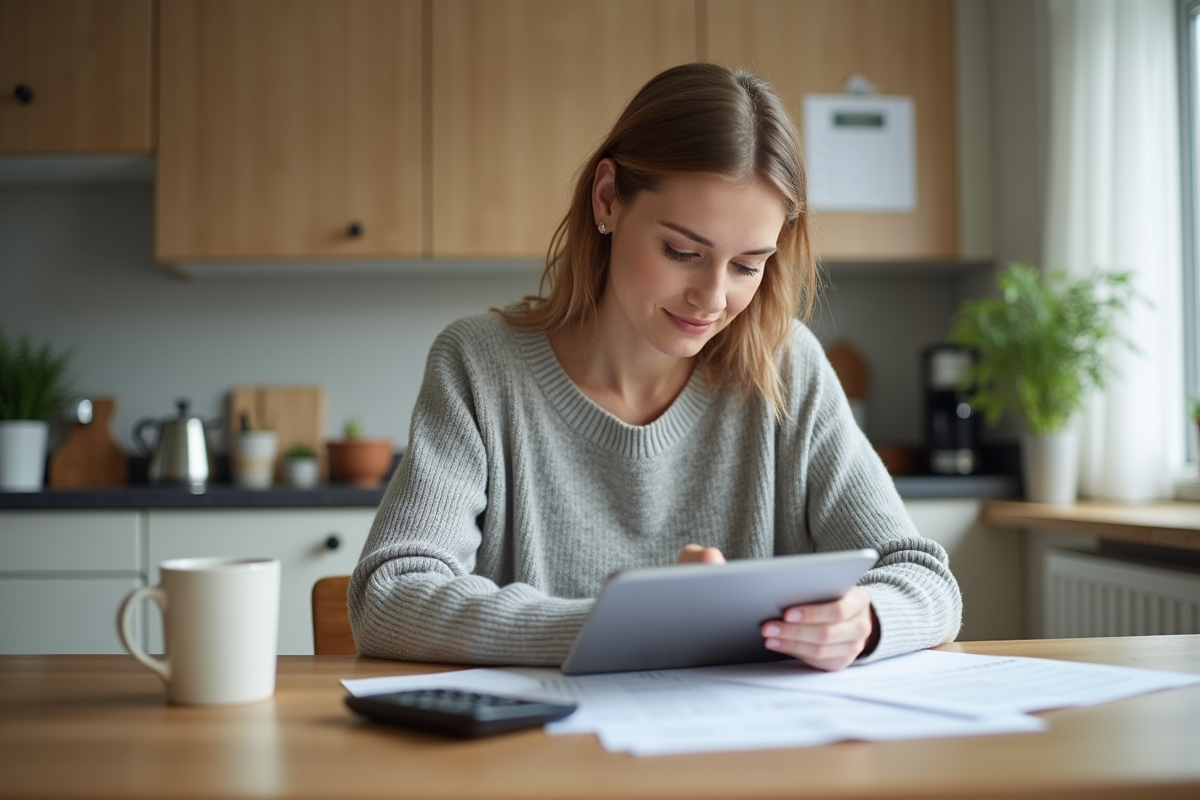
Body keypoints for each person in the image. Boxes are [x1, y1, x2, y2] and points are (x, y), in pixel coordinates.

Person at [349, 62, 961, 672]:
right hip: (539, 760)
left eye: (748, 265)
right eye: (682, 252)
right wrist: (629, 622)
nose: (712, 298)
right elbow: (388, 595)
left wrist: (867, 619)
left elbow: (925, 579)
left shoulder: (788, 367)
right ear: (608, 198)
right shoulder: (479, 365)